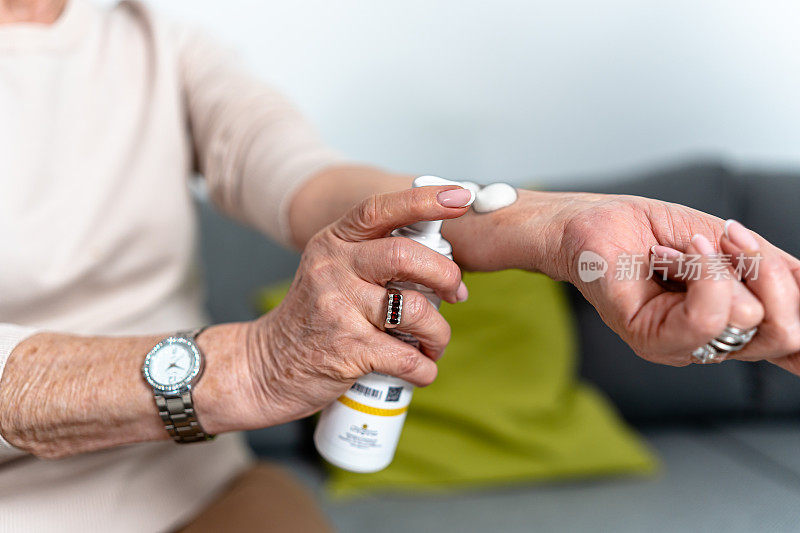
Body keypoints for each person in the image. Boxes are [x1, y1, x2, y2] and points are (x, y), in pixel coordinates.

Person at [2, 0, 800, 531]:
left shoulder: (152, 38)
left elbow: (311, 184)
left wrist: (555, 227)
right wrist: (242, 366)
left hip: (188, 490)